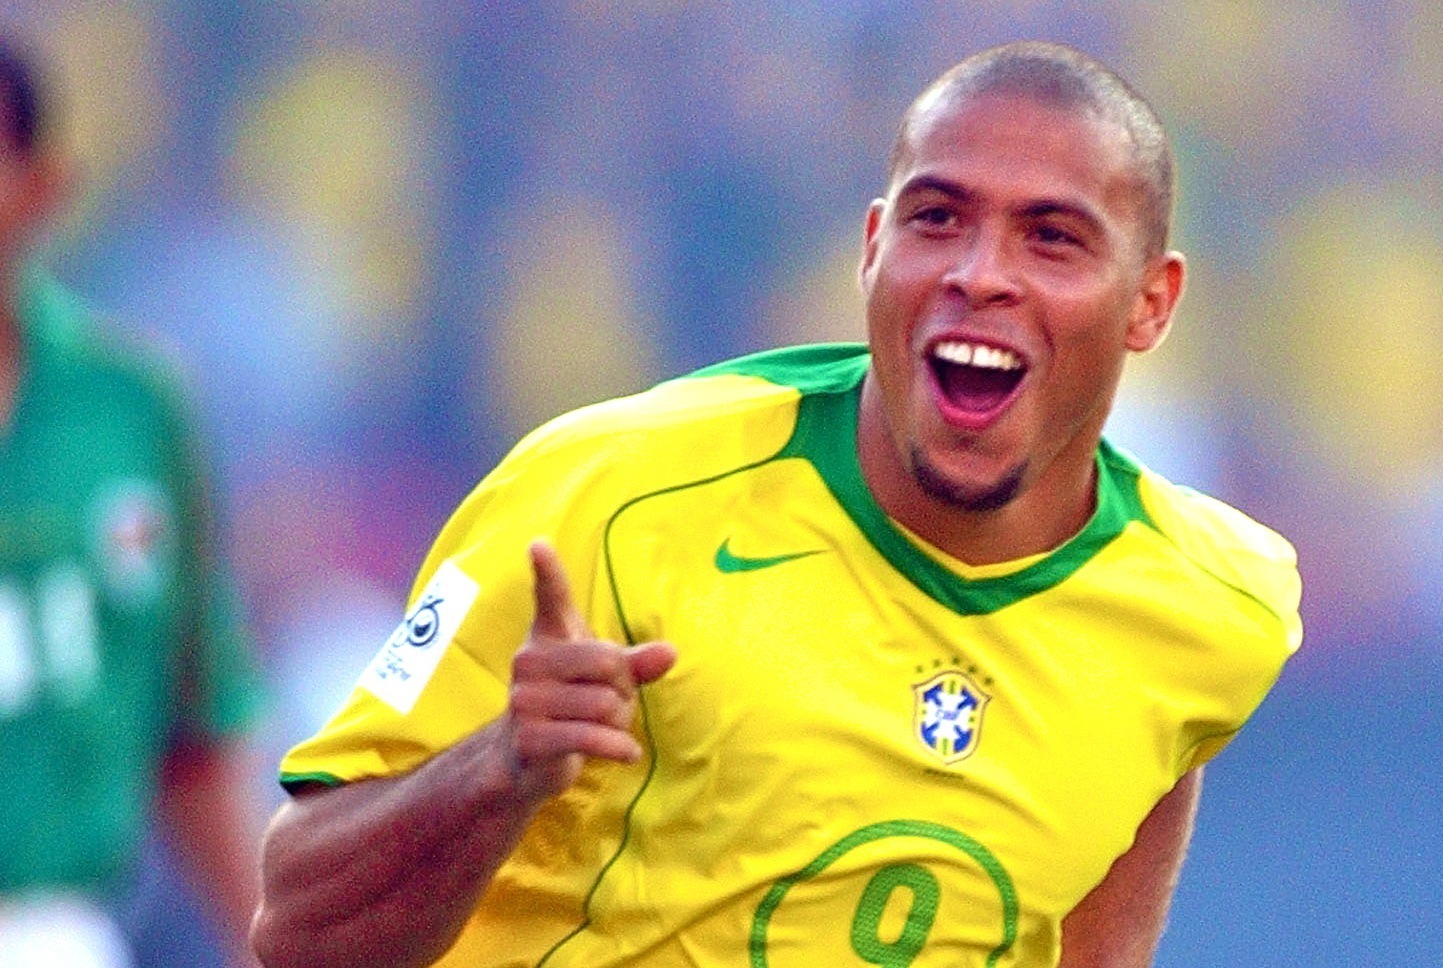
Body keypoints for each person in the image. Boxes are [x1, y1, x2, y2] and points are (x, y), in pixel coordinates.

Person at [252, 40, 1302, 968]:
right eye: (937, 220)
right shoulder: (612, 491)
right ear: (872, 248)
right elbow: (296, 929)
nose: (979, 275)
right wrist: (499, 765)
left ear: (1150, 302)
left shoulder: (1212, 608)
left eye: (1052, 238)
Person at [0, 37, 266, 968]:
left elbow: (191, 729)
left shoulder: (133, 411)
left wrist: (266, 944)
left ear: (43, 186)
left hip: (49, 932)